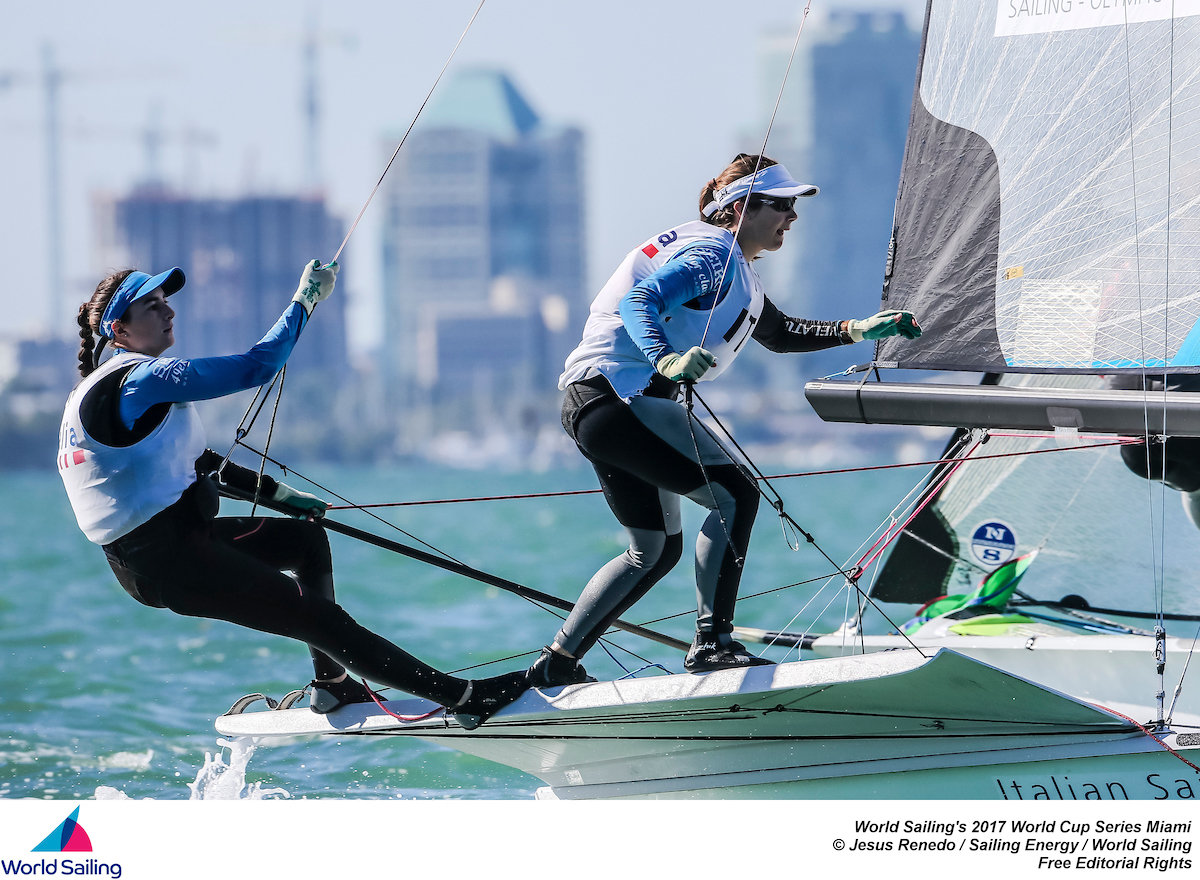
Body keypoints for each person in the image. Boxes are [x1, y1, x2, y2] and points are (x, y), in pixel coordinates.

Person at [60, 261, 526, 729]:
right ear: (118, 328)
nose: (169, 313)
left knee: (305, 542)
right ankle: (465, 699)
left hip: (179, 545)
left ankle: (333, 685)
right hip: (168, 561)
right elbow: (256, 366)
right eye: (152, 305)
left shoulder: (111, 389)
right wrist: (303, 302)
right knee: (320, 620)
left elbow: (202, 464)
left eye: (167, 302)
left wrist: (283, 496)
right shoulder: (138, 381)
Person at [527, 154, 921, 686]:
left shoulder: (735, 268)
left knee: (654, 550)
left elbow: (780, 333)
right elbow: (641, 301)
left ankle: (556, 664)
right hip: (617, 397)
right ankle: (712, 645)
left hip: (598, 404)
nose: (793, 216)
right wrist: (666, 358)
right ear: (740, 208)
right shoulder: (714, 253)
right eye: (781, 205)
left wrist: (857, 329)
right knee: (734, 493)